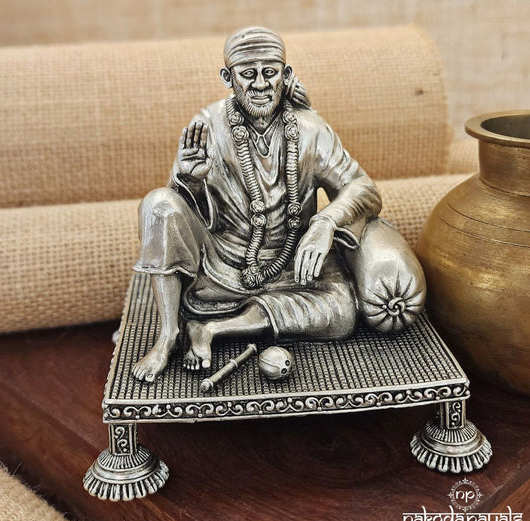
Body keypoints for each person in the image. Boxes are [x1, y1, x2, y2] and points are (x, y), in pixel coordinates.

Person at [132, 26, 425, 382]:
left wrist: (325, 223)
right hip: (220, 269)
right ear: (228, 77)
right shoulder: (206, 126)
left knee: (342, 312)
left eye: (269, 72)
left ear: (285, 76)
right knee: (158, 204)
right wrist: (190, 181)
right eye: (248, 74)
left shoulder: (310, 129)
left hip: (293, 269)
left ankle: (213, 329)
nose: (260, 84)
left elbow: (363, 189)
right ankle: (169, 334)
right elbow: (171, 226)